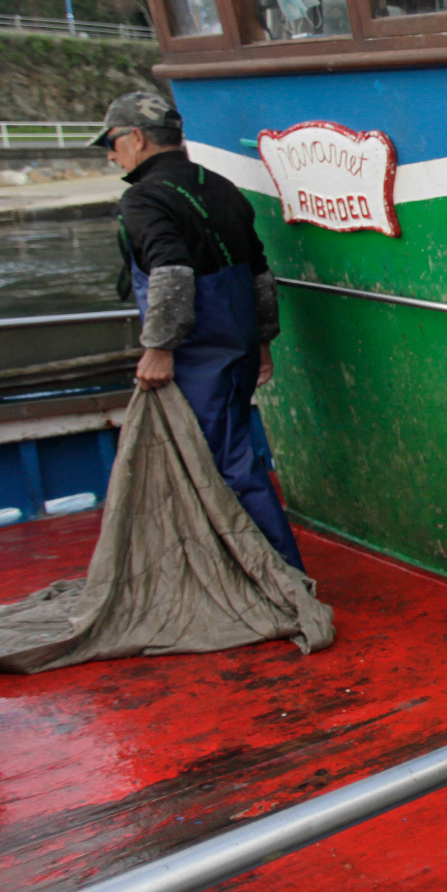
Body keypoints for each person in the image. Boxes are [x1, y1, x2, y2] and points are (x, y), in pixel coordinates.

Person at [98, 92, 305, 570]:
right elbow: (258, 271)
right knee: (230, 455)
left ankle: (274, 571)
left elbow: (170, 271)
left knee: (221, 464)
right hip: (238, 346)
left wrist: (159, 348)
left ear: (136, 137)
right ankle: (257, 563)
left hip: (195, 355)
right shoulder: (220, 186)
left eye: (112, 142)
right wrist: (263, 342)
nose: (111, 155)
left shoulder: (143, 197)